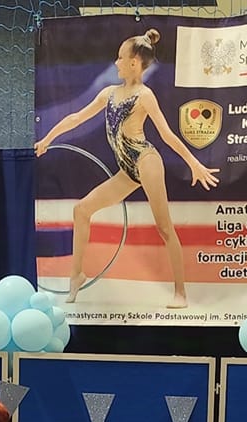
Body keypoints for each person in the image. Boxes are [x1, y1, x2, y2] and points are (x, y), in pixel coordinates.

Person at [35, 29, 220, 308]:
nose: (116, 62)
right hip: (127, 168)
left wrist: (193, 163)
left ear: (134, 62)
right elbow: (76, 117)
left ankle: (180, 292)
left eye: (120, 58)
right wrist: (47, 139)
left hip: (146, 160)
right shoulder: (109, 93)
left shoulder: (145, 95)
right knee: (81, 210)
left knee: (164, 227)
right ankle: (77, 275)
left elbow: (167, 135)